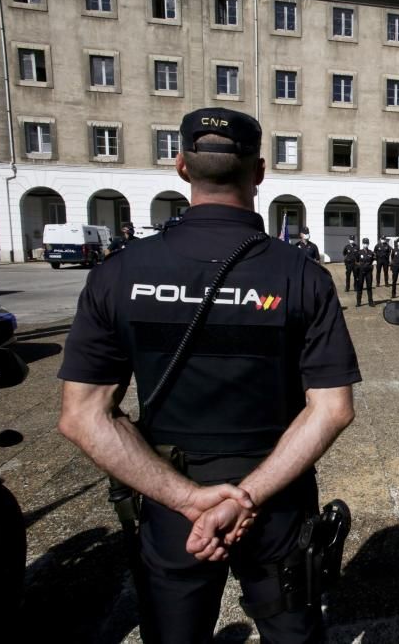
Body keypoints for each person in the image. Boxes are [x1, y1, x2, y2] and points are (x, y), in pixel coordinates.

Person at [56, 107, 360, 643]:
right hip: (276, 495)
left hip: (171, 497)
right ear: (259, 171)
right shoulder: (302, 275)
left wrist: (188, 499)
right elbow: (332, 408)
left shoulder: (118, 272)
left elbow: (83, 416)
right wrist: (245, 497)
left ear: (181, 167)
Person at [354, 238, 375, 307]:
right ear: (362, 244)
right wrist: (359, 267)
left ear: (368, 244)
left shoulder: (371, 253)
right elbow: (356, 262)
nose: (365, 244)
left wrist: (372, 265)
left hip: (368, 272)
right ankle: (358, 302)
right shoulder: (359, 252)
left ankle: (370, 302)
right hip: (361, 272)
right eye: (364, 243)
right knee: (360, 287)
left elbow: (373, 260)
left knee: (369, 287)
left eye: (366, 243)